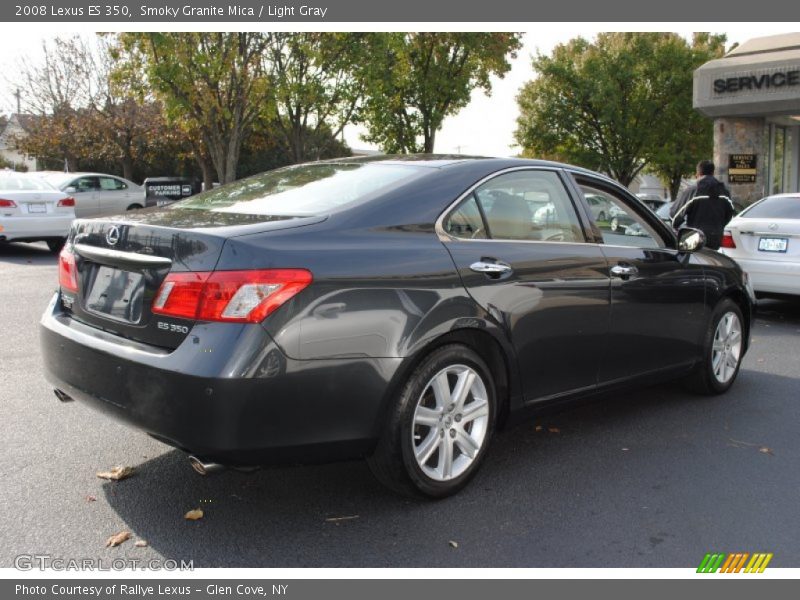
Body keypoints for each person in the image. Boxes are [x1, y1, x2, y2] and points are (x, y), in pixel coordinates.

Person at [670, 160, 735, 250]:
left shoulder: (693, 190)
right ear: (713, 172)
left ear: (698, 173)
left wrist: (677, 228)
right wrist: (718, 227)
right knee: (712, 262)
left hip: (694, 238)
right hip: (716, 239)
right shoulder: (724, 191)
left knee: (692, 262)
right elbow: (730, 214)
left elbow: (674, 216)